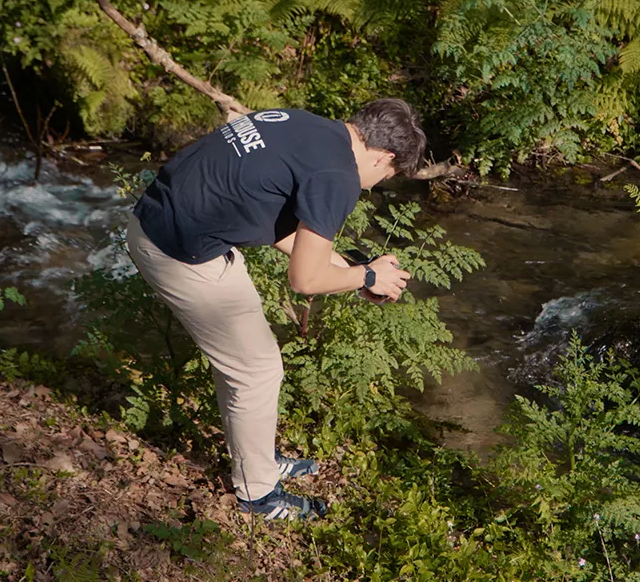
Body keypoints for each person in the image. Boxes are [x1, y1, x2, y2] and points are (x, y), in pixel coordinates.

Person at [125, 99, 424, 520]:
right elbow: (304, 281)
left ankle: (258, 459)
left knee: (250, 362)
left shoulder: (301, 124)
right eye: (385, 176)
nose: (373, 186)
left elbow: (282, 229)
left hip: (155, 219)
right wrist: (368, 278)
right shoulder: (337, 176)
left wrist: (356, 272)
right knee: (257, 369)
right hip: (177, 253)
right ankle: (258, 494)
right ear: (385, 156)